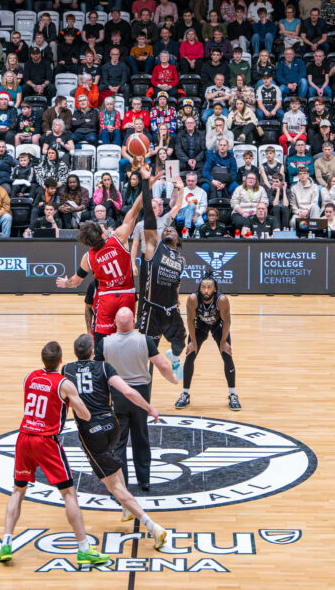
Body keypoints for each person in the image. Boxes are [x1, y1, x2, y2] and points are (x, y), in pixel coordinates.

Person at [0, 340, 112, 567]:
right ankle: (83, 549)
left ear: (43, 359)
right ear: (61, 360)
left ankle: (5, 544)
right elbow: (86, 416)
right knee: (69, 494)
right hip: (46, 441)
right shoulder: (64, 384)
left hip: (24, 437)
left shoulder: (29, 377)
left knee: (18, 490)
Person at [62, 334, 169, 544]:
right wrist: (149, 408)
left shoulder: (66, 370)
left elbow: (61, 399)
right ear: (93, 351)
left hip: (92, 432)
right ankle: (125, 508)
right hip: (112, 426)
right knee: (113, 463)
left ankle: (153, 527)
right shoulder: (104, 367)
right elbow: (128, 391)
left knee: (113, 485)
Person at [55, 165, 148, 356]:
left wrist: (65, 283)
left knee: (100, 345)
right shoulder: (118, 239)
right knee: (127, 338)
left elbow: (76, 281)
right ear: (101, 234)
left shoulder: (88, 257)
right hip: (127, 295)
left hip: (106, 299)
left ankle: (100, 370)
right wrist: (146, 184)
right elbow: (135, 211)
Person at [98, 307, 178, 493]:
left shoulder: (105, 343)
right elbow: (161, 365)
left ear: (115, 324)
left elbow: (97, 372)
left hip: (117, 394)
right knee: (141, 437)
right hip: (140, 394)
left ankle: (121, 485)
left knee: (118, 442)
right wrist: (173, 379)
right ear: (134, 321)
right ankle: (144, 481)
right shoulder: (145, 340)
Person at [136, 173, 187, 375]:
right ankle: (141, 386)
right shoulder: (153, 248)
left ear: (177, 239)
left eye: (172, 231)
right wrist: (146, 184)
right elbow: (148, 213)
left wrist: (181, 188)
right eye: (166, 230)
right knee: (146, 353)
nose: (168, 231)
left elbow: (177, 282)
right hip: (152, 309)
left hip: (171, 309)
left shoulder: (180, 259)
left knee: (180, 342)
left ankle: (174, 359)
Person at [176, 272, 239, 411]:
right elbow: (190, 321)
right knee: (190, 354)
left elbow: (227, 321)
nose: (206, 290)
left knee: (227, 355)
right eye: (203, 287)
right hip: (200, 326)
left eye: (209, 287)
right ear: (199, 288)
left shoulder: (222, 300)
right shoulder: (193, 299)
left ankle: (233, 394)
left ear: (215, 289)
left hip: (218, 326)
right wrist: (193, 341)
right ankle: (185, 394)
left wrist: (223, 341)